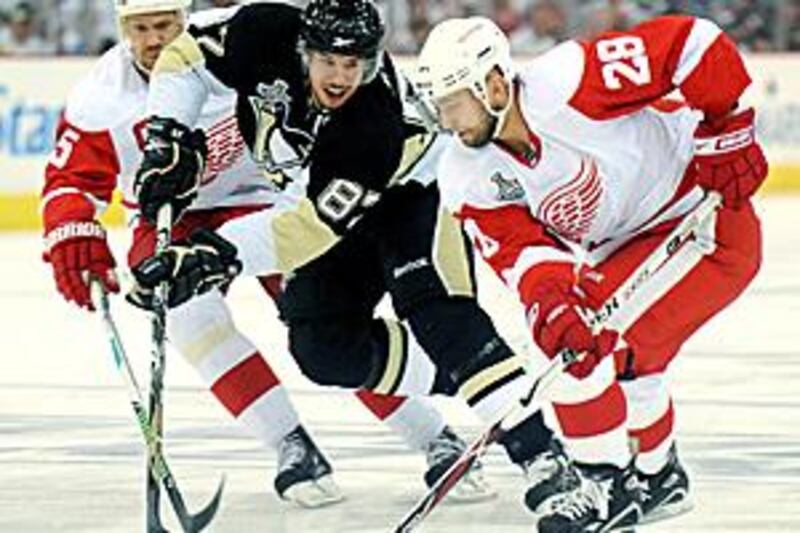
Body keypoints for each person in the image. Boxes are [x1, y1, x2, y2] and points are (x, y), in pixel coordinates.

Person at [128, 0, 582, 520]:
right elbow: (183, 56)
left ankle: (541, 454)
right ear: (302, 49)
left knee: (438, 316)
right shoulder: (261, 30)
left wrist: (217, 255)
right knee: (324, 350)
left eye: (354, 64)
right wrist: (169, 134)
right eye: (329, 61)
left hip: (414, 196)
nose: (342, 76)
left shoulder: (373, 121)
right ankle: (483, 369)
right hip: (328, 206)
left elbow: (311, 230)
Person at [40, 0, 491, 510]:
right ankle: (290, 444)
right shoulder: (103, 96)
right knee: (187, 314)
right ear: (123, 29)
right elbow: (71, 178)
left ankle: (434, 436)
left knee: (321, 319)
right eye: (140, 29)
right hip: (177, 213)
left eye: (165, 25)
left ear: (185, 20)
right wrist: (74, 231)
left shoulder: (219, 51)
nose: (154, 40)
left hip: (270, 200)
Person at [415, 13, 767, 531]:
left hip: (705, 219)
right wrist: (553, 301)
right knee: (595, 349)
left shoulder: (568, 81)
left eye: (453, 104)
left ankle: (604, 486)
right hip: (624, 248)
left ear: (493, 84)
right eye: (439, 108)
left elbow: (693, 42)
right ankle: (658, 476)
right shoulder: (466, 174)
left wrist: (725, 125)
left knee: (585, 351)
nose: (448, 122)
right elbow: (525, 256)